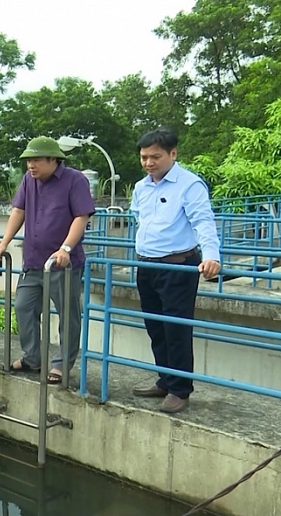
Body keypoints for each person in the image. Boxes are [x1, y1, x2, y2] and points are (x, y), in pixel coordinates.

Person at [0, 136, 95, 384]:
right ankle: (32, 358)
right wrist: (3, 243)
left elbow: (82, 216)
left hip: (61, 264)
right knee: (24, 306)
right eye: (28, 161)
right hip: (33, 260)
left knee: (67, 315)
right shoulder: (29, 181)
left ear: (53, 160)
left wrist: (65, 248)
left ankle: (61, 365)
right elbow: (19, 211)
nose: (31, 166)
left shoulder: (74, 180)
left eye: (36, 160)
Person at [130, 127, 221, 414]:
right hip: (146, 264)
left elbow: (203, 221)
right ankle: (166, 380)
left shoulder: (189, 185)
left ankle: (180, 390)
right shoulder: (141, 187)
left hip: (178, 265)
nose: (148, 163)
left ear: (173, 153)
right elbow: (138, 218)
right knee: (155, 326)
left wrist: (211, 256)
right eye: (144, 157)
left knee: (176, 328)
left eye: (155, 156)